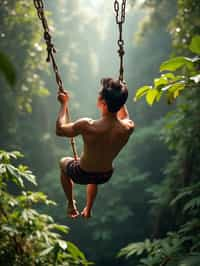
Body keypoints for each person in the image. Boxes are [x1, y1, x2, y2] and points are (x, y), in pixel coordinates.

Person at [56, 78, 135, 219]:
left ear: (103, 103)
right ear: (121, 103)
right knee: (95, 176)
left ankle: (70, 204)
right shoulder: (128, 127)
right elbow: (124, 116)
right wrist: (120, 95)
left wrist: (64, 104)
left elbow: (60, 130)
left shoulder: (87, 126)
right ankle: (89, 208)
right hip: (105, 175)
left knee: (63, 162)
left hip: (82, 173)